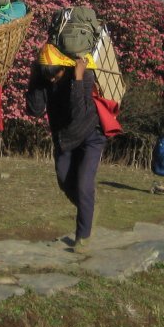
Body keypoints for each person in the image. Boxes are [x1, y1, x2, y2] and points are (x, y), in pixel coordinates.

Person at [26, 43, 107, 250]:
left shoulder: (84, 73)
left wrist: (78, 79)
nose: (52, 80)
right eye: (48, 77)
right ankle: (89, 208)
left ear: (65, 67)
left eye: (56, 76)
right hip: (64, 138)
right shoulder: (45, 77)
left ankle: (83, 237)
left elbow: (79, 113)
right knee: (64, 181)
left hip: (90, 134)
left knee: (84, 184)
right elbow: (35, 110)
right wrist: (35, 78)